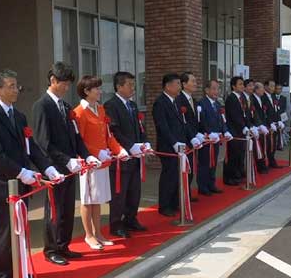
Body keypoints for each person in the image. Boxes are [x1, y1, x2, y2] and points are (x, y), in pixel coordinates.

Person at [0, 69, 63, 278]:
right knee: (1, 231)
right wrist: (21, 172)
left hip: (19, 184)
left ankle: (17, 271)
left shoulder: (19, 115)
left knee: (19, 230)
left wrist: (48, 168)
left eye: (17, 86)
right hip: (0, 183)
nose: (16, 90)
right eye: (11, 86)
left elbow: (31, 147)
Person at [32, 62, 100, 266]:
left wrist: (86, 155)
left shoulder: (66, 106)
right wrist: (66, 160)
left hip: (72, 167)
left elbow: (76, 136)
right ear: (53, 80)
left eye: (69, 84)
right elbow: (43, 143)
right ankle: (51, 248)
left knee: (68, 208)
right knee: (55, 210)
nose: (67, 88)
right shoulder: (42, 106)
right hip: (55, 168)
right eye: (64, 83)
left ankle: (63, 245)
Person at [73, 76, 129, 250]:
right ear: (86, 91)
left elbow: (108, 135)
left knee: (97, 200)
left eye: (99, 87)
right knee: (87, 200)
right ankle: (89, 235)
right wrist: (96, 153)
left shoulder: (101, 109)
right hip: (89, 163)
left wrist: (119, 149)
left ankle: (98, 232)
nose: (100, 91)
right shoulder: (79, 112)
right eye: (96, 88)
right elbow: (79, 140)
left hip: (103, 162)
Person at [104, 72, 151, 238]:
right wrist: (130, 146)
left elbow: (140, 128)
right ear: (119, 86)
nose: (133, 88)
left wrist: (144, 142)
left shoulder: (132, 105)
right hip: (121, 158)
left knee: (134, 191)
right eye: (129, 84)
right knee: (119, 194)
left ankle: (131, 219)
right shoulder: (111, 105)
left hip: (135, 157)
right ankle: (116, 224)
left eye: (133, 84)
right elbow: (114, 131)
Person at [152, 73, 202, 217]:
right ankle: (164, 205)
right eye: (177, 84)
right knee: (169, 175)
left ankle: (174, 203)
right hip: (168, 146)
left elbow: (184, 123)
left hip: (181, 146)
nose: (180, 87)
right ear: (168, 86)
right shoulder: (160, 103)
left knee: (178, 176)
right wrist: (174, 142)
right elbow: (163, 126)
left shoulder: (176, 102)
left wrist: (191, 138)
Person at [197, 80, 232, 194]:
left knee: (214, 162)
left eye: (218, 89)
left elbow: (222, 121)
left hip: (216, 139)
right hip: (207, 139)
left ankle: (211, 184)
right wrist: (208, 132)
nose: (217, 91)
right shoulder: (201, 104)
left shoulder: (218, 104)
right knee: (204, 163)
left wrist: (225, 131)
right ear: (206, 90)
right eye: (214, 88)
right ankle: (202, 186)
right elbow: (201, 122)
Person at [176, 72, 204, 200]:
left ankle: (187, 193)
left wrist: (199, 133)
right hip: (184, 140)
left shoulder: (193, 99)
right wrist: (192, 136)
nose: (195, 83)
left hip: (193, 140)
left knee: (191, 168)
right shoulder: (179, 99)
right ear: (184, 84)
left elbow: (195, 121)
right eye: (192, 81)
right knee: (184, 170)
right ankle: (181, 197)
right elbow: (183, 122)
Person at [223, 76, 249, 185]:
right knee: (232, 155)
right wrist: (242, 126)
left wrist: (247, 125)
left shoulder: (242, 97)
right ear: (233, 86)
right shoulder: (231, 98)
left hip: (241, 131)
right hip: (234, 131)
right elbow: (234, 115)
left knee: (240, 154)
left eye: (243, 84)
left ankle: (238, 173)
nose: (242, 86)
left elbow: (245, 113)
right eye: (240, 84)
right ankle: (229, 177)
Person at [262, 80, 283, 168]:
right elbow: (265, 112)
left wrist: (279, 120)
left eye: (274, 86)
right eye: (271, 86)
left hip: (275, 123)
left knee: (273, 144)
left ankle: (272, 161)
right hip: (268, 124)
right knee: (268, 144)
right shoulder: (263, 97)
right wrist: (270, 123)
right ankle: (267, 161)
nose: (273, 88)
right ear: (266, 86)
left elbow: (277, 110)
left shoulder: (273, 97)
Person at [252, 82, 270, 173]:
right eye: (261, 88)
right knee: (258, 148)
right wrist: (259, 125)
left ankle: (263, 165)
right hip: (257, 126)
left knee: (263, 147)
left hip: (263, 124)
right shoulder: (252, 99)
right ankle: (260, 166)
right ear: (256, 89)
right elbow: (255, 114)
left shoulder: (261, 98)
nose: (263, 90)